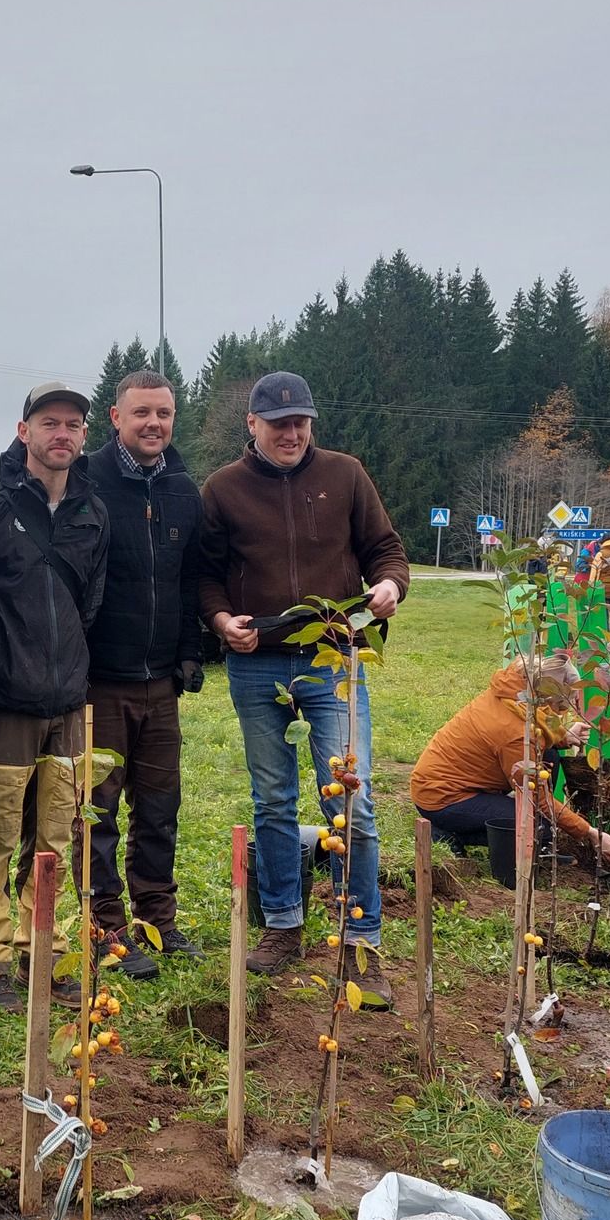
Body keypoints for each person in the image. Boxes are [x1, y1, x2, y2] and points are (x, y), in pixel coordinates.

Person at [198, 371, 409, 994]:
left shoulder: (346, 475)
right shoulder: (223, 489)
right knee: (272, 799)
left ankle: (360, 937)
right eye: (278, 424)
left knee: (351, 797)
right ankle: (283, 924)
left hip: (331, 659)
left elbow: (386, 549)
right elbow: (204, 576)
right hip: (257, 663)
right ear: (252, 424)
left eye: (300, 423)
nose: (291, 434)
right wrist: (220, 620)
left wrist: (390, 585)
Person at [0, 383, 109, 1011]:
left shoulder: (92, 513)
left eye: (73, 424)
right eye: (49, 423)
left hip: (68, 704)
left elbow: (89, 604)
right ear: (24, 432)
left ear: (84, 435)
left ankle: (42, 952)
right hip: (4, 705)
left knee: (56, 840)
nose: (61, 434)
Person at [82, 370, 206, 979]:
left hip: (161, 683)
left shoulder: (184, 490)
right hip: (100, 681)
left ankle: (156, 919)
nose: (153, 424)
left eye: (163, 413)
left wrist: (190, 651)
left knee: (159, 808)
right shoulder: (87, 482)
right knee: (98, 810)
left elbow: (190, 580)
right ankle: (105, 927)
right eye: (142, 413)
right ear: (116, 417)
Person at [408, 661, 610, 886]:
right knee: (535, 827)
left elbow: (538, 721)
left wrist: (563, 735)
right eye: (563, 702)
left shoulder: (515, 690)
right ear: (549, 693)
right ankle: (446, 833)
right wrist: (590, 831)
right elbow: (538, 799)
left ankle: (521, 834)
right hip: (442, 797)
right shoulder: (515, 733)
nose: (564, 708)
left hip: (462, 780)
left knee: (549, 756)